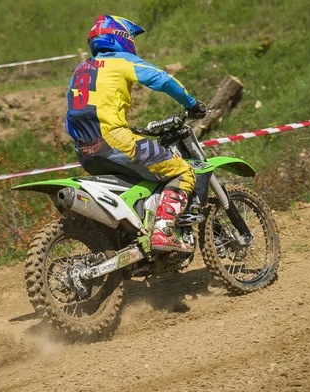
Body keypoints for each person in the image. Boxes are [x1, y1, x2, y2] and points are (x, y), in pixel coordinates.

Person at [65, 15, 206, 253]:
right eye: (130, 37)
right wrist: (192, 104)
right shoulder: (121, 61)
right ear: (120, 37)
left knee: (139, 183)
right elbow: (162, 80)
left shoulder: (81, 69)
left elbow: (72, 117)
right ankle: (163, 232)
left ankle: (134, 236)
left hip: (85, 150)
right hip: (116, 141)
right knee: (182, 171)